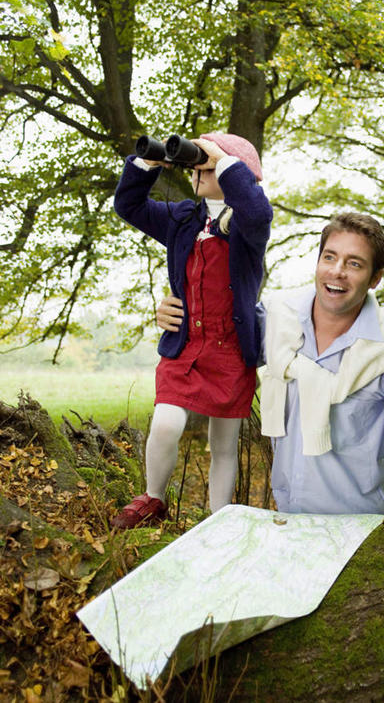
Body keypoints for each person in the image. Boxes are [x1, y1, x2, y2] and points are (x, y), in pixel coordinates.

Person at [157, 212, 384, 557]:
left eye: (354, 264)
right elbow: (220, 336)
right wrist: (180, 315)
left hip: (359, 531)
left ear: (375, 279)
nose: (337, 271)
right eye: (330, 257)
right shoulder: (277, 316)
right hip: (287, 525)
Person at [110, 132, 273, 529]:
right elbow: (128, 205)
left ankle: (218, 518)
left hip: (231, 350)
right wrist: (149, 164)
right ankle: (153, 498)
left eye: (209, 162)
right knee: (166, 422)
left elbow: (256, 210)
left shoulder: (248, 224)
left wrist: (224, 160)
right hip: (186, 345)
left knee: (224, 444)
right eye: (198, 158)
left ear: (234, 171)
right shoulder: (183, 217)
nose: (199, 166)